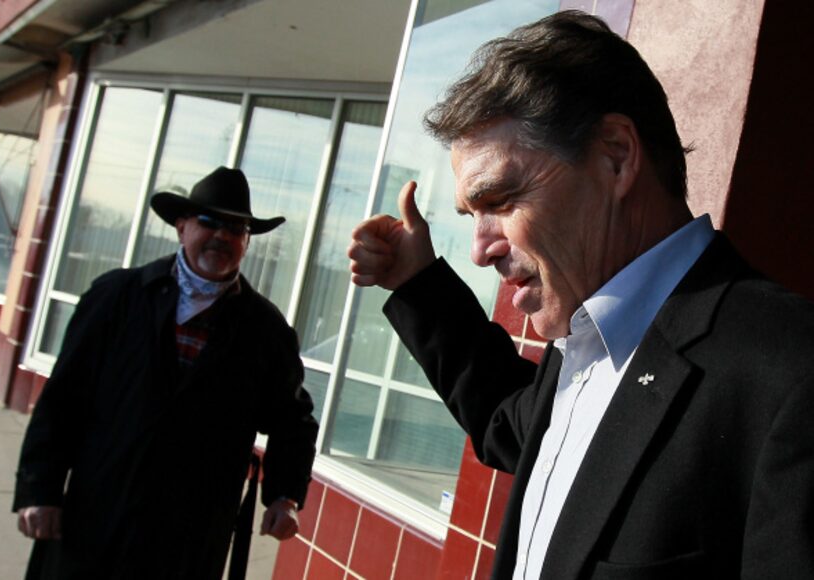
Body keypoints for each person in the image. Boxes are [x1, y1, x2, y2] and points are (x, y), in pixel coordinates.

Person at [348, 11, 814, 580]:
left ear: (616, 156)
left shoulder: (791, 376)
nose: (479, 249)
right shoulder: (584, 345)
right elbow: (504, 418)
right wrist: (418, 282)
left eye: (499, 200)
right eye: (471, 215)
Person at [14, 166, 318, 579]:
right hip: (95, 518)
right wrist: (40, 489)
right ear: (182, 227)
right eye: (209, 222)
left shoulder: (265, 329)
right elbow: (64, 400)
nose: (222, 237)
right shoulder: (117, 297)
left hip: (187, 540)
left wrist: (284, 496)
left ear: (246, 242)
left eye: (236, 228)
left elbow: (292, 420)